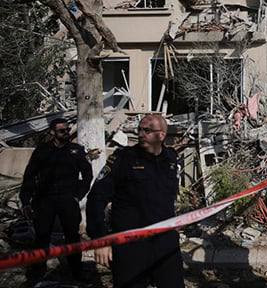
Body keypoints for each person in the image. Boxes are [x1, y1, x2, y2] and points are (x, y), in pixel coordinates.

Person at [86, 114, 184, 288]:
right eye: (139, 129)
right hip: (130, 245)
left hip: (165, 243)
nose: (140, 134)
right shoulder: (123, 159)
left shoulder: (171, 158)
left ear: (161, 135)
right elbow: (96, 198)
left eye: (147, 130)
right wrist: (100, 239)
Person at [19, 118, 92, 281]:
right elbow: (29, 176)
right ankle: (37, 273)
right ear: (52, 132)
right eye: (62, 131)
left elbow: (87, 175)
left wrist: (78, 195)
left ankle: (76, 272)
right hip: (44, 200)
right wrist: (25, 201)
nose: (66, 133)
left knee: (72, 236)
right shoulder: (42, 151)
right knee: (42, 236)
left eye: (67, 130)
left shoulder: (76, 150)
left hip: (68, 200)